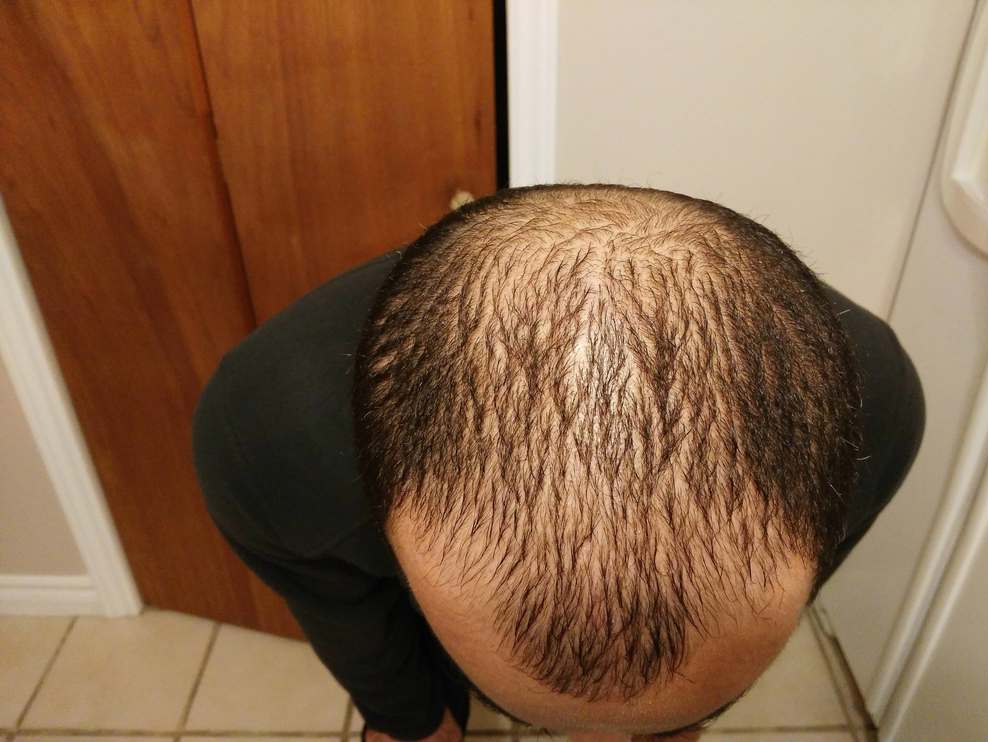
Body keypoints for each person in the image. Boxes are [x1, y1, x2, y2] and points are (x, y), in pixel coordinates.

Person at [191, 184, 926, 742]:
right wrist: (412, 721)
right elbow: (347, 618)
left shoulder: (878, 414)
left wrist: (675, 729)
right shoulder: (263, 442)